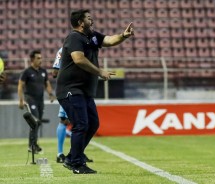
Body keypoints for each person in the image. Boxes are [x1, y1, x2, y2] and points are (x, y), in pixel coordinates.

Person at [56, 9, 134, 174]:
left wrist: (123, 35)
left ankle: (72, 157)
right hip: (71, 89)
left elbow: (109, 40)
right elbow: (78, 59)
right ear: (80, 23)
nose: (93, 20)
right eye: (89, 18)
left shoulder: (91, 36)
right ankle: (76, 163)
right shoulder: (74, 37)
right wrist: (100, 72)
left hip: (84, 91)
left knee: (92, 124)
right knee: (81, 124)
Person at [52, 48, 93, 163]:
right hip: (70, 89)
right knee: (65, 120)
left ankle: (77, 153)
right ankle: (61, 154)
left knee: (84, 121)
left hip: (81, 90)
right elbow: (54, 72)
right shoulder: (63, 51)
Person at [18, 50, 55, 153]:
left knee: (37, 123)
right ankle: (32, 145)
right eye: (38, 58)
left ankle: (33, 144)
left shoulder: (43, 71)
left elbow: (47, 84)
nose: (40, 60)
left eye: (41, 58)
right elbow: (20, 85)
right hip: (30, 99)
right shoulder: (27, 72)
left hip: (40, 100)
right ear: (32, 59)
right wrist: (21, 100)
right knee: (35, 121)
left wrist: (51, 94)